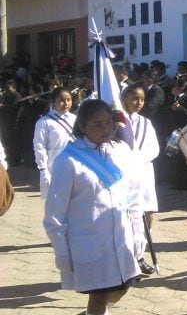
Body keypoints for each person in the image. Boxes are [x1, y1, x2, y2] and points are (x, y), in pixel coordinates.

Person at [43, 99, 141, 315]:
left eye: (108, 122)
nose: (105, 129)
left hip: (120, 239)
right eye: (97, 124)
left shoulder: (118, 152)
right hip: (90, 244)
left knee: (124, 286)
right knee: (98, 297)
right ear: (83, 126)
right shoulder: (68, 160)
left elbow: (133, 195)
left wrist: (137, 234)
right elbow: (53, 215)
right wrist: (62, 253)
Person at [121, 83, 160, 275]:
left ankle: (141, 252)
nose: (138, 103)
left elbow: (154, 147)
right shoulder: (118, 122)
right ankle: (130, 256)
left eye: (142, 99)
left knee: (148, 211)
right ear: (125, 98)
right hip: (125, 174)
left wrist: (139, 159)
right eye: (134, 98)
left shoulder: (145, 123)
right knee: (130, 214)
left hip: (143, 171)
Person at [33, 87, 76, 200]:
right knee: (56, 204)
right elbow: (39, 146)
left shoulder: (75, 119)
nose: (66, 103)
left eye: (68, 100)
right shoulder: (44, 122)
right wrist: (43, 170)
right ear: (53, 102)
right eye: (61, 100)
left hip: (74, 166)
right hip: (54, 168)